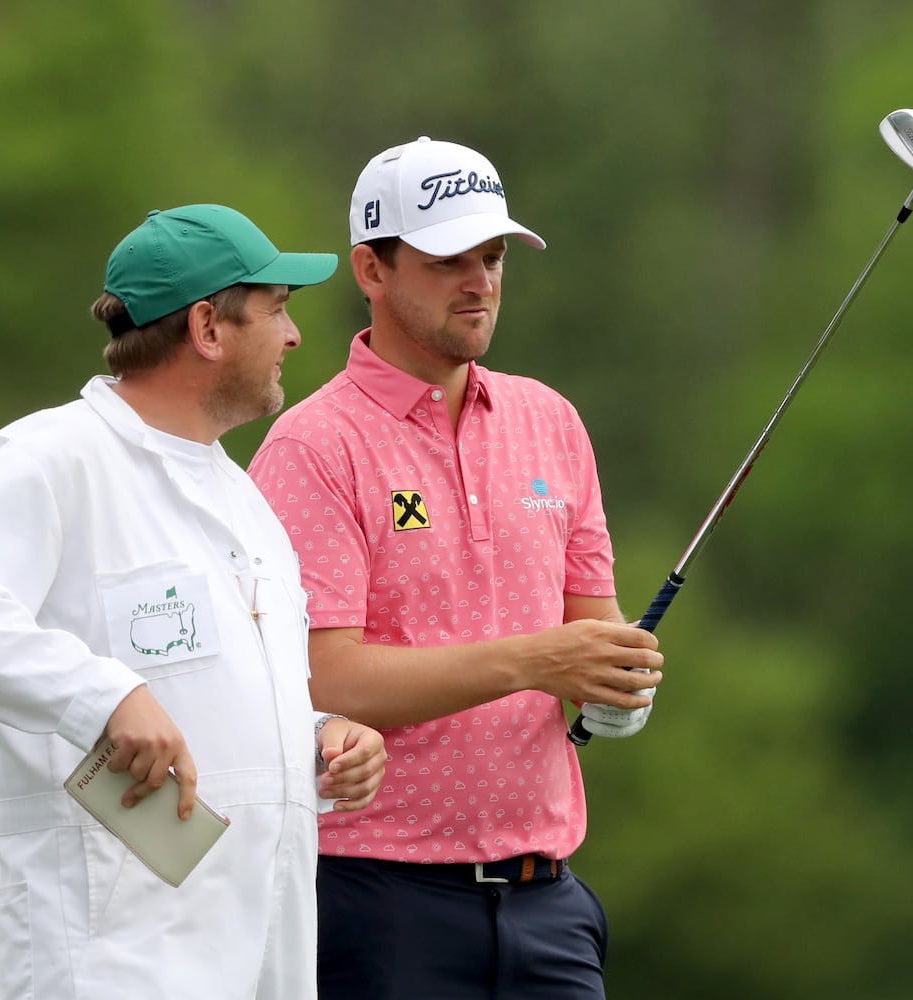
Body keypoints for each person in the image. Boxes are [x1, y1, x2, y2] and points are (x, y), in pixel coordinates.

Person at [0, 203, 386, 1000]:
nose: (294, 336)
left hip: (264, 951)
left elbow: (219, 703)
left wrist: (323, 740)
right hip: (109, 959)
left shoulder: (243, 500)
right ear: (207, 326)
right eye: (278, 310)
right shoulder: (51, 457)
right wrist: (106, 693)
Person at [247, 138, 664, 998]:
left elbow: (593, 630)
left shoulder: (550, 420)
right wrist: (534, 661)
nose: (480, 281)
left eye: (494, 256)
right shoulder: (314, 447)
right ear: (372, 267)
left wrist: (616, 688)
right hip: (377, 900)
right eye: (448, 261)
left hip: (550, 901)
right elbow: (326, 674)